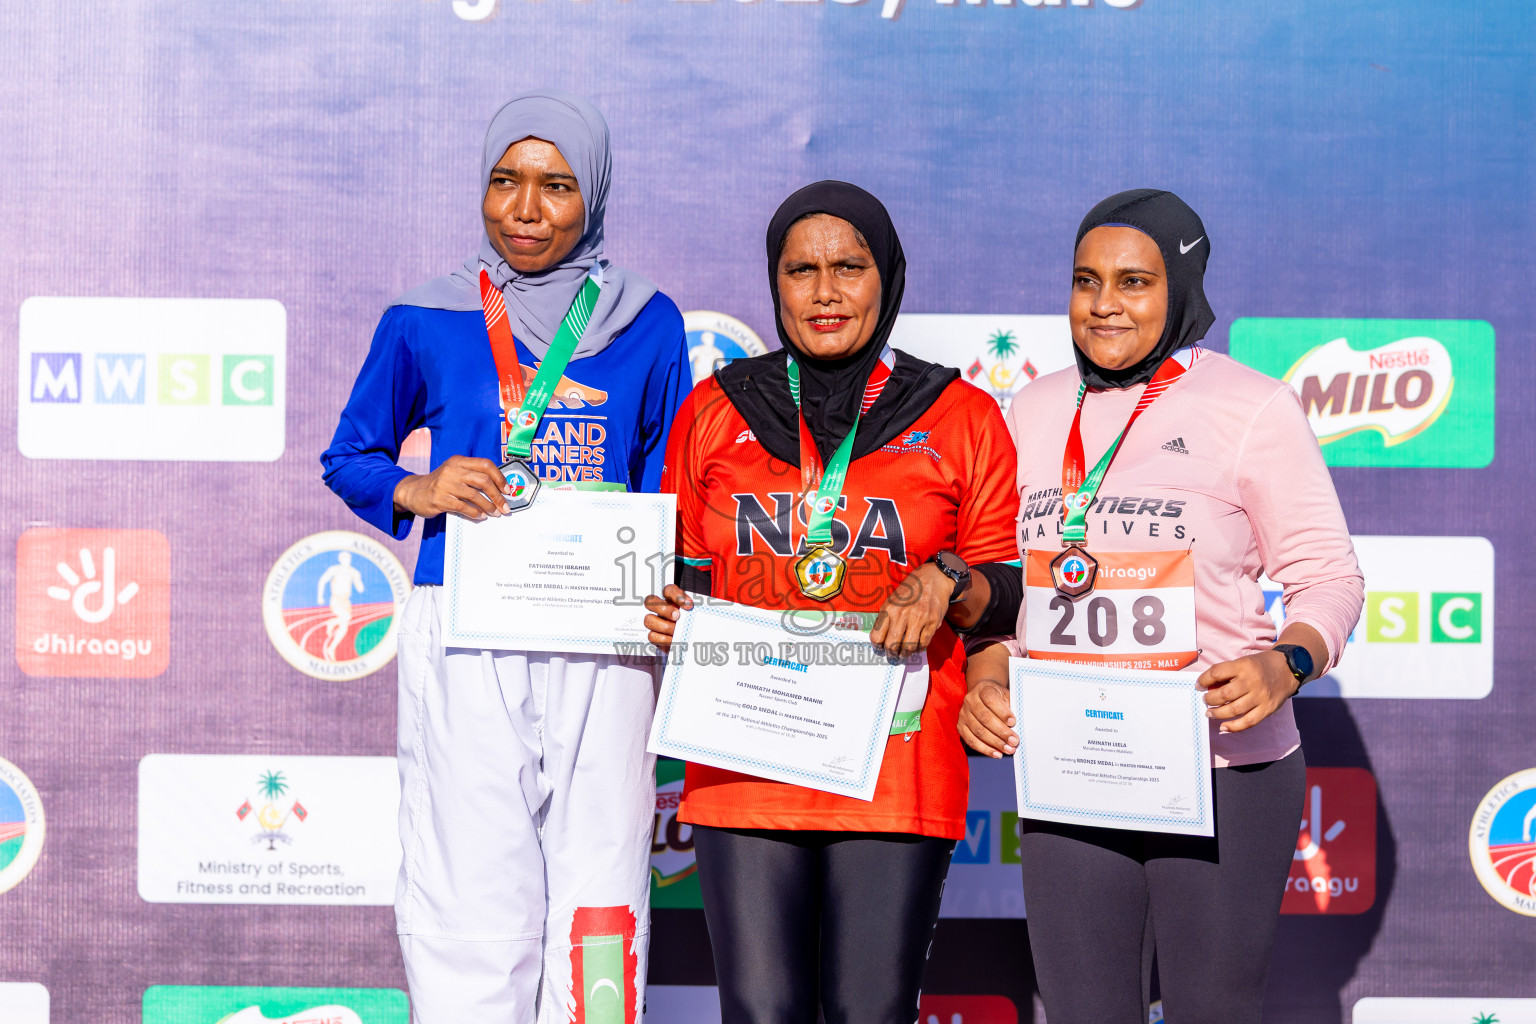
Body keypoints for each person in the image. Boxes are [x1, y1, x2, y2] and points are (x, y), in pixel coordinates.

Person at [320, 91, 689, 1023]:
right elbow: (350, 456)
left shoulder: (647, 320)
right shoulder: (427, 315)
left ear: (594, 194)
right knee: (467, 888)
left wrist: (667, 594)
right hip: (467, 628)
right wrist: (420, 489)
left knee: (601, 885)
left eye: (556, 185)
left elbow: (669, 487)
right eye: (505, 182)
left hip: (605, 640)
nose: (525, 209)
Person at [958, 189, 1365, 1024]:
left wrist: (1286, 662)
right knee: (1083, 1010)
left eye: (1134, 281)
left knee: (1211, 1007)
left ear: (1181, 289)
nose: (1104, 304)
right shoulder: (1030, 410)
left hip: (1221, 768)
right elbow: (1007, 588)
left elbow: (1329, 576)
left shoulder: (1250, 407)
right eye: (1085, 280)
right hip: (1075, 767)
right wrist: (987, 677)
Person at [643, 181, 1022, 1024]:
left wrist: (950, 579)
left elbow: (1007, 591)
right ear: (773, 281)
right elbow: (686, 577)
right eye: (800, 269)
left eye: (849, 267)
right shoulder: (715, 411)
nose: (824, 292)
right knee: (761, 1011)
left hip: (896, 765)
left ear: (887, 276)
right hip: (745, 757)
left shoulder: (961, 416)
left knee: (868, 1012)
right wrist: (669, 614)